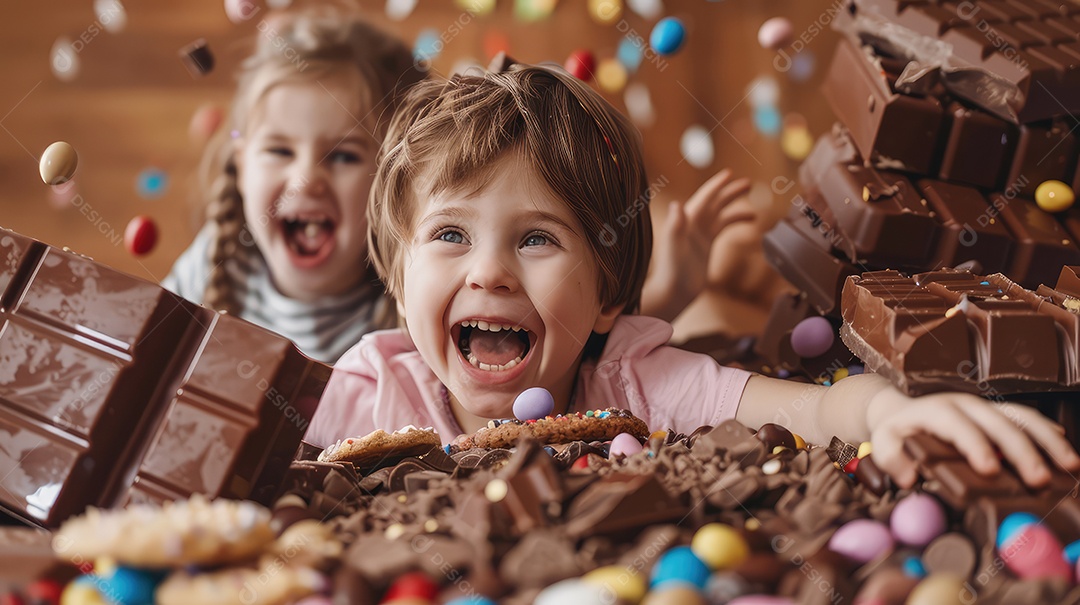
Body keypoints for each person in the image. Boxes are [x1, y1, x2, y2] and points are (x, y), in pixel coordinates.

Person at [306, 61, 1079, 489]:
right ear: (399, 280)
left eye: (537, 238)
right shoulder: (371, 392)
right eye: (449, 234)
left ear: (609, 297)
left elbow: (816, 409)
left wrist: (889, 414)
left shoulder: (637, 386)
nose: (490, 272)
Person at [162, 6, 425, 363]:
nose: (306, 180)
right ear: (241, 166)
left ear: (395, 180)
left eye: (343, 156)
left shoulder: (413, 309)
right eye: (280, 150)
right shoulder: (213, 263)